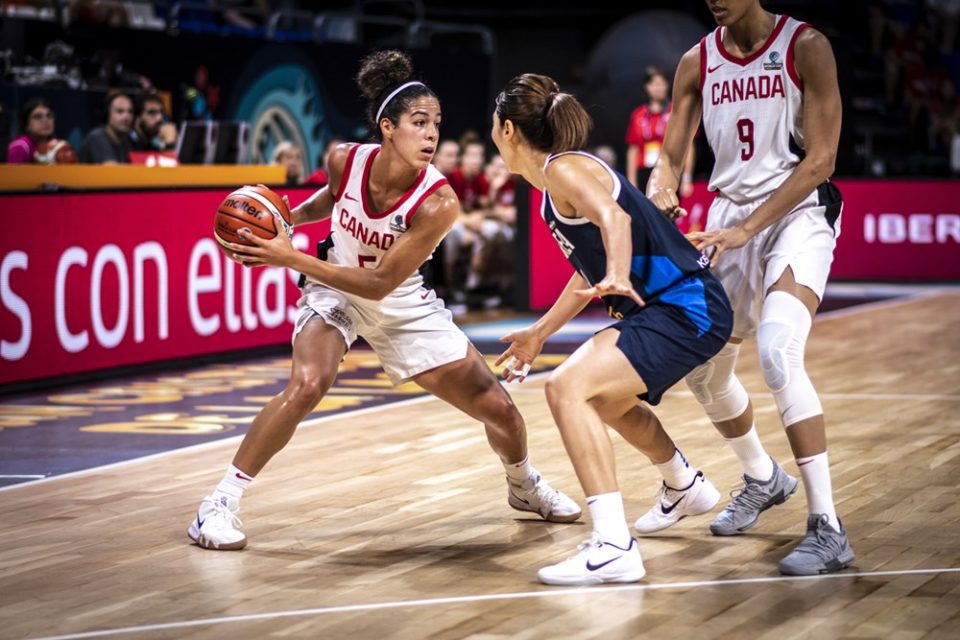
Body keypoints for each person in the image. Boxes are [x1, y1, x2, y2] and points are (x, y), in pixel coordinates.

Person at [187, 50, 581, 551]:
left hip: (396, 300)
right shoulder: (343, 159)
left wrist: (287, 257)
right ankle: (217, 504)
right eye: (420, 123)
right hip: (333, 288)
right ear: (388, 127)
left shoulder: (439, 202)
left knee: (500, 410)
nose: (433, 134)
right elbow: (331, 197)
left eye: (437, 123)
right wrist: (286, 224)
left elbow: (378, 286)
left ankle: (524, 487)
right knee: (308, 384)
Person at [490, 73, 733, 586]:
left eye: (494, 124)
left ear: (508, 130)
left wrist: (619, 272)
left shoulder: (563, 170)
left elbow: (614, 220)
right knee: (603, 399)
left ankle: (613, 544)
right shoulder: (557, 182)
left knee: (566, 388)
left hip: (685, 307)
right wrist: (539, 333)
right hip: (673, 307)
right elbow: (587, 265)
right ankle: (682, 483)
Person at [646, 0, 854, 576]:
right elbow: (669, 156)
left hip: (796, 216)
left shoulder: (805, 46)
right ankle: (764, 477)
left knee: (778, 350)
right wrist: (663, 185)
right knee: (703, 372)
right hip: (727, 218)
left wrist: (747, 229)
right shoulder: (697, 60)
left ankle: (828, 527)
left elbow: (821, 160)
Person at [625, 67, 695, 196]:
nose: (658, 88)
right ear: (647, 87)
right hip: (644, 172)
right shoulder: (638, 115)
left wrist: (687, 178)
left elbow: (688, 146)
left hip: (669, 170)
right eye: (654, 84)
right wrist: (631, 182)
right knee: (646, 214)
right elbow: (633, 149)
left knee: (668, 213)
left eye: (662, 84)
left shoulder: (675, 112)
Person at [6, 98, 76, 164]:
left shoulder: (58, 147)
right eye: (38, 116)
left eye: (49, 115)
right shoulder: (20, 146)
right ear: (26, 124)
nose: (45, 120)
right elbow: (12, 176)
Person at [78, 91, 134, 164]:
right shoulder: (97, 137)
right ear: (107, 114)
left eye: (130, 112)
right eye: (120, 111)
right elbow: (111, 172)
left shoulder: (126, 141)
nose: (126, 117)